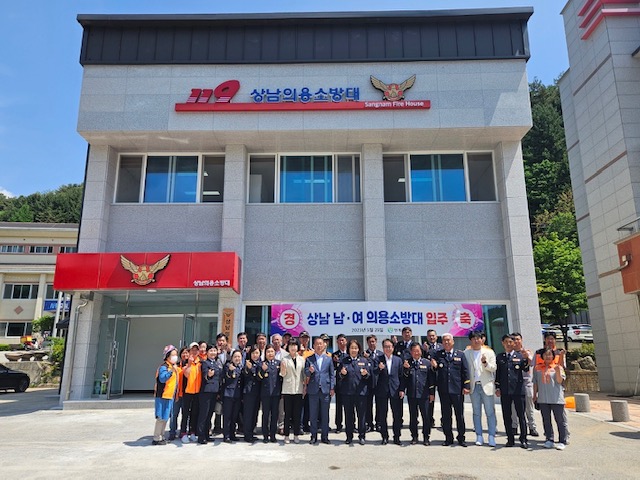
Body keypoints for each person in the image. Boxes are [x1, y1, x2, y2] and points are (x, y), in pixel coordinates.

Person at [431, 333, 470, 447]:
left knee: (459, 415)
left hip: (457, 390)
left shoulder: (460, 354)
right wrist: (434, 367)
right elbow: (434, 372)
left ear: (453, 342)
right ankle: (448, 438)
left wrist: (466, 386)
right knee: (446, 416)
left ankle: (461, 438)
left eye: (448, 340)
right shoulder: (438, 355)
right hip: (444, 390)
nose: (446, 342)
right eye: (444, 340)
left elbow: (465, 371)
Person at [463, 331, 497, 447]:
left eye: (478, 338)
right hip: (474, 386)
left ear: (482, 339)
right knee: (476, 412)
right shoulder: (466, 353)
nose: (476, 340)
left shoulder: (489, 352)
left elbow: (493, 368)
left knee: (490, 412)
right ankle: (479, 435)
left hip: (486, 385)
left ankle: (491, 436)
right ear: (470, 340)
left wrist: (485, 363)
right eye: (474, 338)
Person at [495, 334, 529, 449]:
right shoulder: (500, 357)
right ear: (503, 343)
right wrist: (497, 387)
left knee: (521, 415)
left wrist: (526, 359)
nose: (508, 344)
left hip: (518, 390)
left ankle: (523, 439)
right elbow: (498, 374)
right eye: (506, 342)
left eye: (510, 342)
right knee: (507, 415)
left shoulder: (520, 356)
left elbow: (526, 369)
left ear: (514, 343)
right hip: (505, 391)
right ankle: (510, 439)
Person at [533, 348, 568, 450]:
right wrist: (534, 395)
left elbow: (560, 381)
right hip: (543, 398)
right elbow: (535, 382)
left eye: (550, 355)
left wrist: (557, 371)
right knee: (546, 420)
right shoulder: (537, 368)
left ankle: (562, 440)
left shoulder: (558, 367)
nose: (548, 357)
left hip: (556, 398)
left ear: (553, 356)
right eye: (546, 355)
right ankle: (549, 439)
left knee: (560, 420)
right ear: (542, 356)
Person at [338, 339, 372, 445]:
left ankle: (362, 436)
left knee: (361, 415)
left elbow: (369, 376)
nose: (354, 350)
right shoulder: (344, 361)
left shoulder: (364, 361)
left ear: (359, 349)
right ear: (348, 349)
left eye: (355, 348)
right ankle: (349, 436)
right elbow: (339, 376)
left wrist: (365, 374)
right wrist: (342, 374)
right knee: (348, 415)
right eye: (352, 348)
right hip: (347, 393)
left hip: (361, 393)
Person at [403, 343, 435, 446]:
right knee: (413, 417)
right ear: (411, 352)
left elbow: (431, 380)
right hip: (412, 394)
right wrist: (406, 369)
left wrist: (432, 393)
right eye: (414, 351)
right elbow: (404, 379)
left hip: (424, 395)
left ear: (421, 351)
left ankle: (426, 437)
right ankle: (414, 436)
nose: (416, 353)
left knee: (426, 417)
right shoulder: (407, 363)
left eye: (418, 350)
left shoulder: (427, 363)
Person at [305, 336, 335, 444]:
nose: (319, 346)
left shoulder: (328, 359)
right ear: (313, 346)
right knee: (313, 414)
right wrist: (309, 371)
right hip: (313, 390)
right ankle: (313, 436)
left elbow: (332, 375)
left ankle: (325, 436)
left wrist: (332, 387)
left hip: (325, 390)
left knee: (325, 415)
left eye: (320, 344)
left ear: (324, 345)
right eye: (317, 344)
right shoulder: (309, 359)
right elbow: (305, 373)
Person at [374, 338, 404, 445]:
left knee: (397, 415)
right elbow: (373, 373)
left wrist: (401, 389)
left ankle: (397, 437)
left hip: (395, 390)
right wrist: (379, 368)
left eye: (389, 346)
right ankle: (384, 437)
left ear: (393, 348)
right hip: (382, 390)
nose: (388, 348)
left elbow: (401, 376)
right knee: (383, 415)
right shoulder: (378, 359)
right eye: (386, 347)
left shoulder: (398, 360)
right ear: (383, 348)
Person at [512, 332, 539, 437]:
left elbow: (533, 364)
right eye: (514, 339)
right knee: (513, 407)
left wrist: (527, 356)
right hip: (514, 384)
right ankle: (514, 426)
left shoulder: (527, 352)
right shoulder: (511, 354)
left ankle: (532, 427)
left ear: (521, 340)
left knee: (529, 407)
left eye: (518, 339)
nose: (516, 341)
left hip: (527, 383)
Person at [280, 339, 305, 444]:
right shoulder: (284, 359)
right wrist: (283, 368)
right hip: (288, 389)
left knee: (297, 414)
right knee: (288, 414)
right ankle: (286, 435)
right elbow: (282, 374)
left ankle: (296, 434)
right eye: (291, 346)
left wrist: (305, 387)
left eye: (295, 345)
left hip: (298, 389)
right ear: (288, 348)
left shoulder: (302, 359)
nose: (293, 348)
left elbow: (303, 375)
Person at [152, 345, 179, 445]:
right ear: (167, 356)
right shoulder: (164, 367)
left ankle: (162, 436)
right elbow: (162, 379)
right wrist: (171, 371)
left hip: (169, 396)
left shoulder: (173, 367)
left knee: (165, 418)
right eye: (173, 355)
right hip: (162, 396)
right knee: (160, 418)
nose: (175, 357)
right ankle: (156, 438)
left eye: (176, 355)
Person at [196, 344, 222, 444]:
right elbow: (204, 374)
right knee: (204, 414)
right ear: (207, 352)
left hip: (214, 391)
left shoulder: (217, 363)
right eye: (211, 351)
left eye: (214, 351)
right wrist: (208, 375)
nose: (213, 353)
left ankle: (206, 435)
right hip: (206, 392)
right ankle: (201, 436)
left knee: (210, 414)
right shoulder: (204, 363)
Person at [259, 344, 282, 443]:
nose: (270, 353)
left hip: (276, 393)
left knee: (275, 415)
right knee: (265, 415)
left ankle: (273, 435)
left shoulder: (278, 363)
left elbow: (281, 378)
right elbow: (259, 378)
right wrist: (263, 370)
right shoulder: (262, 364)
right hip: (265, 393)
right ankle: (265, 435)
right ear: (265, 353)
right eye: (268, 352)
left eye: (272, 351)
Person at [180, 342, 202, 443]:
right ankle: (183, 432)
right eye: (192, 350)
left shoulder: (200, 362)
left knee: (194, 413)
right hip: (187, 391)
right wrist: (189, 364)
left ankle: (192, 432)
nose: (194, 351)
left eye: (196, 350)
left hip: (197, 392)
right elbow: (186, 374)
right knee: (185, 413)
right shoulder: (185, 362)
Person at [242, 346, 263, 443]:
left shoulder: (261, 364)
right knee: (248, 414)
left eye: (257, 353)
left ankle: (251, 432)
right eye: (253, 353)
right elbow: (246, 375)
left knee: (255, 413)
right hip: (249, 392)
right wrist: (250, 369)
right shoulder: (247, 363)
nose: (255, 355)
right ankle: (247, 434)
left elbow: (260, 377)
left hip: (258, 392)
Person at [222, 350, 243, 443]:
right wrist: (230, 371)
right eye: (235, 357)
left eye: (239, 357)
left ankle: (232, 434)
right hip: (229, 394)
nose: (237, 358)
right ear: (232, 358)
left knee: (234, 416)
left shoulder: (241, 367)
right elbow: (227, 376)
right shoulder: (228, 366)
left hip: (237, 395)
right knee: (227, 416)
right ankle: (226, 435)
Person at [168, 346, 189, 441]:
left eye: (187, 353)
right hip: (176, 394)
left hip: (187, 394)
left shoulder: (192, 365)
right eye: (183, 353)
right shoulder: (176, 365)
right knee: (174, 414)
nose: (185, 354)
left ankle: (183, 431)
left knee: (185, 414)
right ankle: (172, 432)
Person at [363, 335, 382, 433]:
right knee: (368, 405)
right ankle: (369, 424)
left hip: (379, 383)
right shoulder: (363, 354)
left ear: (376, 342)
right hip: (368, 383)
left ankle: (378, 423)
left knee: (379, 404)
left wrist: (370, 358)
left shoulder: (380, 354)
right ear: (367, 343)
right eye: (370, 342)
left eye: (373, 341)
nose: (372, 343)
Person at [332, 334, 348, 433]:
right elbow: (332, 370)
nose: (341, 342)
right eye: (339, 341)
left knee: (350, 406)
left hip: (349, 384)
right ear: (337, 342)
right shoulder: (334, 355)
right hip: (339, 384)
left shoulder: (350, 353)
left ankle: (351, 425)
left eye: (343, 340)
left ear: (346, 341)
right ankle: (338, 425)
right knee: (339, 407)